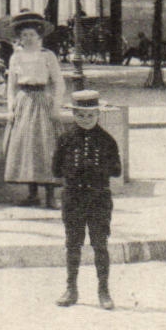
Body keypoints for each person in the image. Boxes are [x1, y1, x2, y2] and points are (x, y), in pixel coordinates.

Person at [52, 90, 122, 309]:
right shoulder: (65, 140)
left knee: (100, 244)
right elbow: (55, 169)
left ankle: (104, 291)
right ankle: (71, 289)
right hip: (73, 198)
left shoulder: (107, 140)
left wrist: (95, 168)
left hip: (98, 198)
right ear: (74, 114)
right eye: (80, 115)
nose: (85, 119)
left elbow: (117, 170)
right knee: (73, 244)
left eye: (90, 115)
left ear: (98, 115)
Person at [1, 12, 65, 209]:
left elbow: (59, 83)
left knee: (46, 146)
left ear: (39, 36)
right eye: (24, 35)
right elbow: (11, 86)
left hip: (42, 100)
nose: (28, 38)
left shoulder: (47, 56)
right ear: (19, 37)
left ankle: (51, 195)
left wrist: (55, 106)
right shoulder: (16, 57)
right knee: (27, 147)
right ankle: (32, 193)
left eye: (32, 34)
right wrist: (10, 108)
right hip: (23, 101)